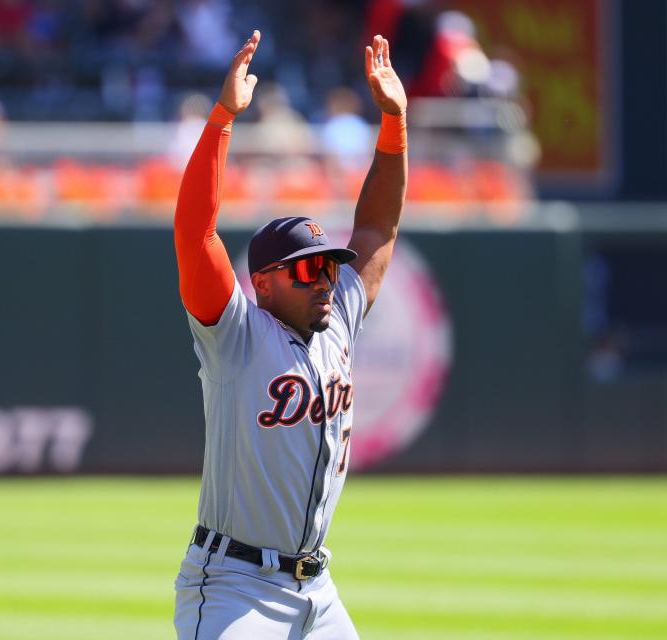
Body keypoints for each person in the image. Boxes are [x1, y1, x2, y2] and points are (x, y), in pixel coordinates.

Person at [172, 30, 407, 639]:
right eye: (309, 269)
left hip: (318, 589)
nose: (327, 278)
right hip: (232, 585)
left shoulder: (339, 321)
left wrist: (393, 122)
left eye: (330, 264)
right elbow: (196, 231)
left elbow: (376, 227)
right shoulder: (235, 337)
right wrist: (222, 118)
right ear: (266, 283)